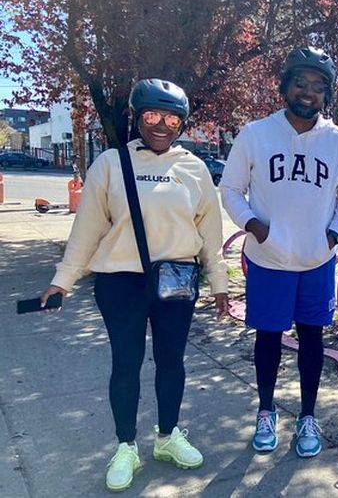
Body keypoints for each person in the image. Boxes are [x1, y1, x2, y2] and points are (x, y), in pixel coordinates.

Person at [41, 78, 229, 492]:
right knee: (125, 364)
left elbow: (210, 236)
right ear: (137, 117)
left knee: (172, 362)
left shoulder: (195, 170)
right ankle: (126, 446)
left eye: (171, 118)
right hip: (120, 282)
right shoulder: (110, 164)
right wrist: (62, 281)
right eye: (151, 115)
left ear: (181, 124)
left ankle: (167, 436)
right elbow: (86, 232)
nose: (161, 125)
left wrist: (219, 284)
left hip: (176, 282)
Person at [220, 46, 338, 458]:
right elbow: (230, 189)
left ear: (326, 96)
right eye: (301, 82)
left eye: (318, 87)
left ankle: (308, 416)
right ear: (285, 86)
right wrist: (255, 227)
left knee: (313, 339)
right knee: (268, 338)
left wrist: (332, 236)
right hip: (268, 260)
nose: (308, 92)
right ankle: (266, 411)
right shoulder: (256, 133)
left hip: (316, 261)